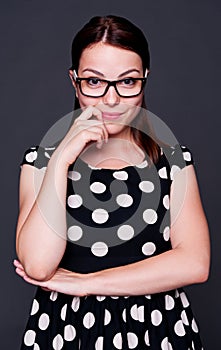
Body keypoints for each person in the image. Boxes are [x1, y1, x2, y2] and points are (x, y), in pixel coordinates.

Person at [14, 15, 210, 350]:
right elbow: (37, 264)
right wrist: (62, 158)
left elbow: (194, 263)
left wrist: (89, 283)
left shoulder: (173, 160)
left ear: (144, 80)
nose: (111, 99)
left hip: (157, 329)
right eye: (94, 82)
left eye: (127, 82)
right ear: (74, 81)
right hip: (66, 330)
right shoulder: (41, 162)